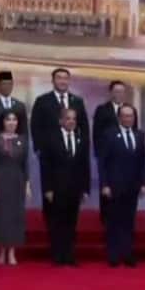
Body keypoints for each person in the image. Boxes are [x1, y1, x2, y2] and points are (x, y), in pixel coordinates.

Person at [31, 68, 89, 231]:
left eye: (65, 78)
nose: (62, 81)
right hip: (51, 159)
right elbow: (35, 127)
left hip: (73, 158)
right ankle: (54, 238)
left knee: (71, 209)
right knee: (51, 204)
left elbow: (84, 128)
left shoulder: (77, 101)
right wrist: (40, 149)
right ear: (53, 80)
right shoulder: (43, 101)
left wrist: (81, 147)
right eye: (59, 78)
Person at [98, 105, 145, 267]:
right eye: (125, 116)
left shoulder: (140, 135)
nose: (128, 119)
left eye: (131, 116)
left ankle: (127, 254)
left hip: (133, 186)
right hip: (114, 186)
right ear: (119, 117)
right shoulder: (109, 135)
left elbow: (142, 162)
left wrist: (143, 183)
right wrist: (105, 184)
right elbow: (102, 162)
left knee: (129, 221)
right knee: (113, 221)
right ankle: (113, 255)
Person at [40, 108, 91, 266]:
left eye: (74, 119)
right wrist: (47, 188)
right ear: (61, 120)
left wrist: (85, 189)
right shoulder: (51, 139)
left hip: (75, 189)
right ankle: (57, 255)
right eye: (68, 118)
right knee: (57, 223)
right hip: (56, 189)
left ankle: (69, 256)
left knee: (71, 223)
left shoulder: (80, 138)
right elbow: (45, 166)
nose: (71, 121)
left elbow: (84, 165)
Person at [0, 110, 31, 266]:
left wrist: (27, 184)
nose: (11, 122)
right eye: (8, 120)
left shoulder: (23, 140)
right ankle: (1, 251)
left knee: (15, 216)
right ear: (3, 122)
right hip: (0, 179)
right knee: (1, 216)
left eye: (14, 120)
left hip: (17, 181)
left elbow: (25, 164)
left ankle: (12, 252)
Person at [93, 81, 138, 159]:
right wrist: (99, 154)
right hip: (108, 153)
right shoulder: (102, 109)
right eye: (117, 91)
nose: (119, 94)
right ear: (111, 93)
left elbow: (134, 130)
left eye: (122, 92)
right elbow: (96, 133)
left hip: (127, 153)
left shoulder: (131, 109)